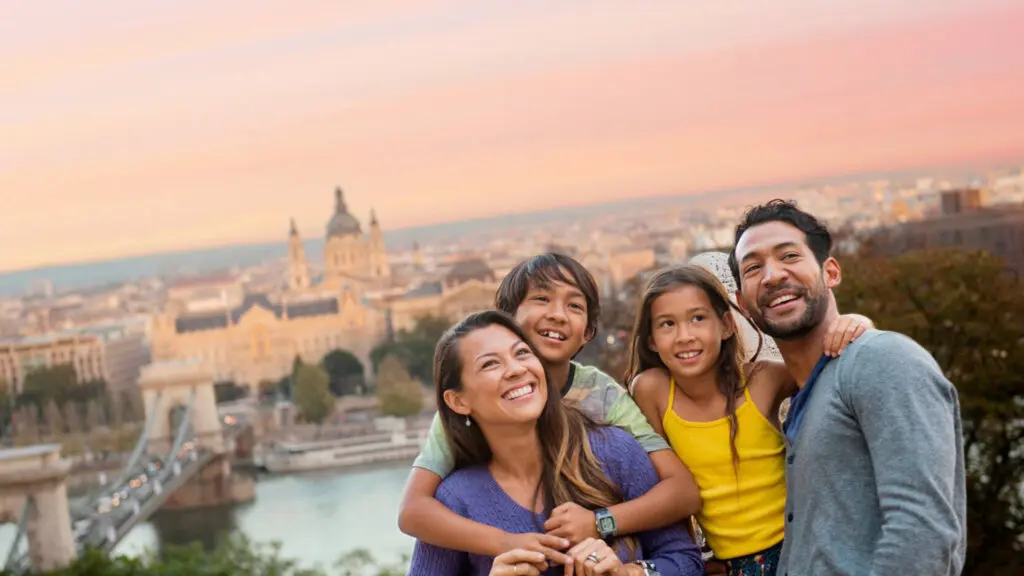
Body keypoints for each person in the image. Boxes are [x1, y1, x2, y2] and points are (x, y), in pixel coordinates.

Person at [399, 254, 700, 565]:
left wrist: (601, 522)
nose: (557, 314)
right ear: (508, 320)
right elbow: (412, 510)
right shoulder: (464, 428)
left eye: (575, 305)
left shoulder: (603, 401)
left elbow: (682, 493)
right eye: (542, 299)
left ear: (588, 332)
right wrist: (506, 543)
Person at [728, 199, 966, 575]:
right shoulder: (802, 400)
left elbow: (922, 530)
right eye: (753, 268)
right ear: (743, 305)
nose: (772, 275)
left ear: (831, 272)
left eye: (789, 256)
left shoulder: (881, 359)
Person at [626, 264, 871, 576]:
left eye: (698, 318)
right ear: (650, 340)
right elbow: (667, 486)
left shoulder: (763, 380)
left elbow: (832, 365)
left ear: (726, 325)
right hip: (733, 566)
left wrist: (858, 324)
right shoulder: (652, 391)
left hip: (804, 550)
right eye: (667, 324)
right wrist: (692, 559)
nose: (684, 336)